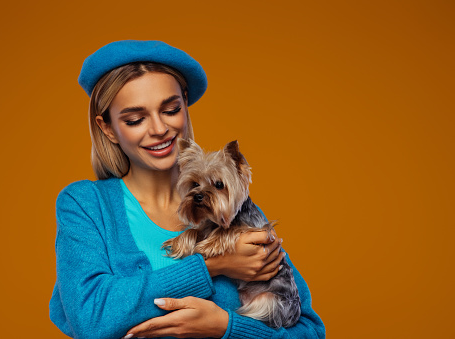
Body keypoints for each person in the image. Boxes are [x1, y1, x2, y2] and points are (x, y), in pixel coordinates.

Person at [49, 40, 325, 339]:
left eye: (170, 109)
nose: (158, 129)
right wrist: (212, 266)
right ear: (108, 128)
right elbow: (90, 318)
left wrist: (226, 328)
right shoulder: (85, 205)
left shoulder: (231, 208)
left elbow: (309, 332)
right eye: (135, 119)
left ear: (185, 106)